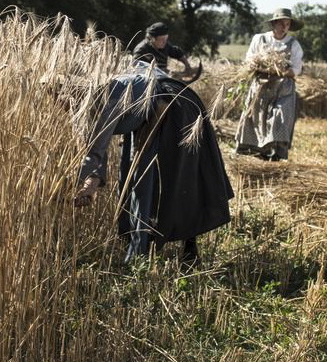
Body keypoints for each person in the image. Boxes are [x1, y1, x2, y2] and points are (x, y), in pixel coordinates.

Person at [73, 59, 233, 265]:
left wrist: (79, 184)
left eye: (58, 94)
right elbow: (94, 147)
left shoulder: (106, 97)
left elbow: (96, 149)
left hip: (174, 106)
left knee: (177, 178)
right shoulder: (80, 108)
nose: (56, 100)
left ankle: (184, 249)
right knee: (133, 175)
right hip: (145, 113)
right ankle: (139, 243)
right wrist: (88, 184)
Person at [235, 8, 304, 161]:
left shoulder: (294, 44)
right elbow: (249, 60)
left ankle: (276, 154)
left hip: (283, 87)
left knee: (281, 117)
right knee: (255, 116)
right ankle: (252, 152)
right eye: (281, 23)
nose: (284, 27)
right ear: (274, 24)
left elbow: (296, 70)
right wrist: (262, 67)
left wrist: (279, 71)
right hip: (261, 84)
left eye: (287, 24)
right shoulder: (260, 39)